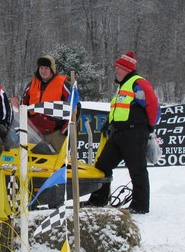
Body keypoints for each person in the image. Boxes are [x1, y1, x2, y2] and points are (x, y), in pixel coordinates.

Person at [86, 52, 160, 214]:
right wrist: (110, 122)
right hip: (119, 133)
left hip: (134, 133)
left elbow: (153, 104)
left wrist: (150, 126)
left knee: (137, 169)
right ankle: (98, 200)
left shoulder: (138, 83)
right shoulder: (122, 86)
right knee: (102, 165)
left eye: (118, 68)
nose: (116, 71)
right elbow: (122, 109)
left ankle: (140, 206)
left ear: (126, 69)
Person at [19, 55, 72, 151]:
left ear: (52, 69)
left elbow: (74, 106)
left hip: (55, 134)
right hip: (33, 134)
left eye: (46, 68)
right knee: (30, 162)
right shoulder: (31, 84)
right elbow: (23, 106)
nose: (43, 71)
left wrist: (65, 129)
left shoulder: (63, 84)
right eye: (41, 68)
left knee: (57, 164)